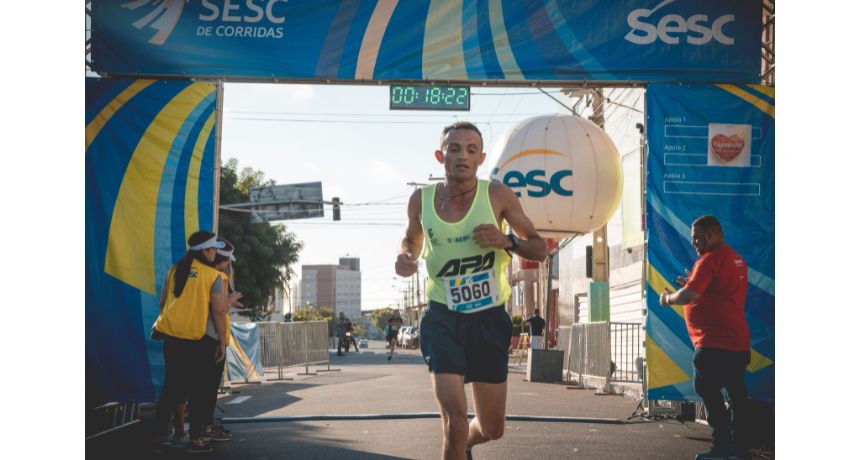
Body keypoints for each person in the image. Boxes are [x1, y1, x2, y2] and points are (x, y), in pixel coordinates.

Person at [395, 121, 547, 460]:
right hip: (442, 318)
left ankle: (466, 443)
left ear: (481, 158)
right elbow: (411, 240)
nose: (462, 155)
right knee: (454, 418)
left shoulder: (496, 195)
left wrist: (508, 241)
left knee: (492, 428)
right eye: (454, 148)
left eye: (471, 149)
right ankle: (456, 441)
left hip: (489, 319)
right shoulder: (421, 200)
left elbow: (540, 248)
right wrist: (404, 257)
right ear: (440, 155)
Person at [659, 215, 751, 460]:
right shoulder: (736, 259)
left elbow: (689, 295)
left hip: (714, 343)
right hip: (737, 342)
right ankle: (740, 450)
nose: (695, 243)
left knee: (706, 386)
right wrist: (693, 282)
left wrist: (669, 298)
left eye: (698, 237)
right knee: (737, 395)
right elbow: (715, 290)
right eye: (693, 239)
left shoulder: (709, 261)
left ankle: (722, 446)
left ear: (713, 234)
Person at [153, 231, 228, 454]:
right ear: (204, 251)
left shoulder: (174, 270)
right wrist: (222, 343)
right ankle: (194, 439)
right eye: (212, 248)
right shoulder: (211, 276)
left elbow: (162, 303)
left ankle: (161, 435)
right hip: (196, 338)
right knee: (197, 390)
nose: (215, 252)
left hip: (170, 335)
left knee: (171, 387)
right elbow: (219, 311)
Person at [200, 239, 244, 443]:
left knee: (197, 386)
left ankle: (195, 428)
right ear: (224, 260)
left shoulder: (191, 272)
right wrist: (230, 301)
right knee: (207, 386)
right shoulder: (215, 276)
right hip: (211, 336)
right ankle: (205, 427)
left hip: (197, 335)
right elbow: (218, 309)